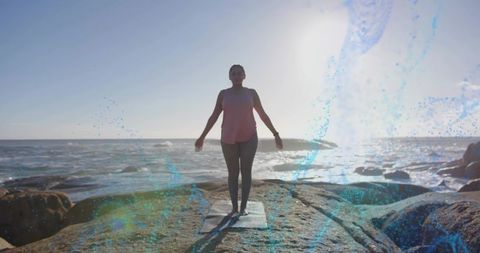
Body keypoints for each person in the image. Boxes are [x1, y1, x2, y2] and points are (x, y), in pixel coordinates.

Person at [195, 64, 283, 218]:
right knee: (233, 173)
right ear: (229, 77)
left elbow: (262, 114)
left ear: (244, 76)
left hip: (249, 136)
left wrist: (275, 134)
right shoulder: (223, 94)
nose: (236, 76)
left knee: (246, 172)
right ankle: (234, 208)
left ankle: (243, 208)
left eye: (239, 73)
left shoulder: (251, 93)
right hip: (228, 138)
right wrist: (202, 136)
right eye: (233, 73)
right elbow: (214, 116)